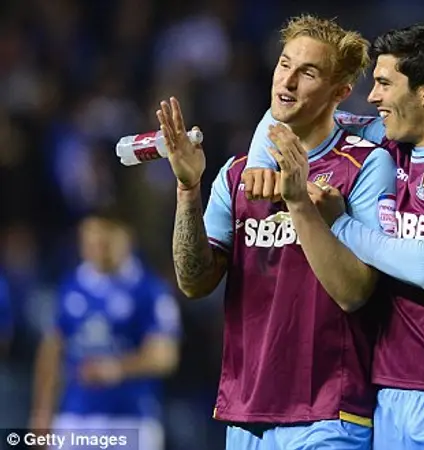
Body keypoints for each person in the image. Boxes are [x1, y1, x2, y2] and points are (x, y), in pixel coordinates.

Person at [244, 21, 424, 449]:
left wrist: (340, 224)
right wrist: (258, 161)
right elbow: (289, 108)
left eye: (383, 83)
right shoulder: (385, 140)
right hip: (390, 390)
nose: (372, 97)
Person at [159, 15, 396, 450]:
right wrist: (188, 188)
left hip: (330, 412)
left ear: (340, 93)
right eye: (284, 64)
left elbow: (356, 291)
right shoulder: (237, 174)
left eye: (308, 72)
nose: (287, 81)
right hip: (246, 414)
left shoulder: (365, 166)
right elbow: (194, 281)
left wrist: (300, 203)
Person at [30, 214, 180, 450]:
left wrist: (115, 368)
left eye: (104, 240)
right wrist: (42, 412)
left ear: (126, 238)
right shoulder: (69, 287)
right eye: (90, 240)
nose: (97, 248)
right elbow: (51, 352)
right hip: (75, 417)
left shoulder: (150, 290)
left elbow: (164, 356)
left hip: (131, 419)